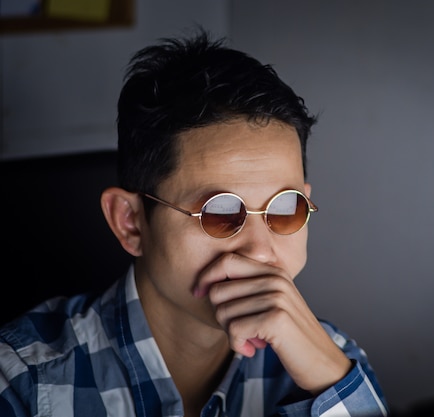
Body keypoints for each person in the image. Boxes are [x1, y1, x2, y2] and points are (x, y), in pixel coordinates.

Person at [0, 27, 389, 416]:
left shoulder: (332, 361)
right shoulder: (22, 382)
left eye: (286, 208)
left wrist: (332, 381)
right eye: (220, 212)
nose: (259, 249)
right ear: (130, 222)